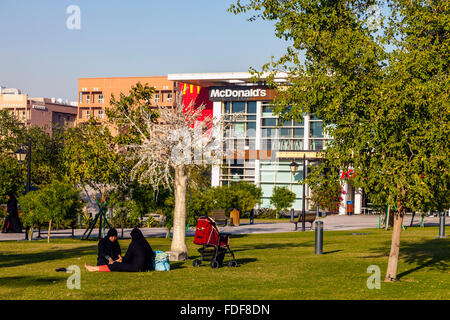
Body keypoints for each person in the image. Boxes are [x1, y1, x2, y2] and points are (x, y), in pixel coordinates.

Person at [85, 228, 154, 272]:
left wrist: (119, 259)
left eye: (115, 237)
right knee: (107, 262)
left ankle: (93, 268)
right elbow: (102, 253)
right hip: (147, 267)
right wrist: (110, 258)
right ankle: (96, 267)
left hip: (137, 267)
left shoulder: (133, 244)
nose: (114, 238)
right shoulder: (145, 243)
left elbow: (125, 256)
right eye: (112, 237)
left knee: (116, 265)